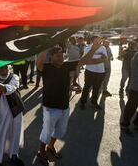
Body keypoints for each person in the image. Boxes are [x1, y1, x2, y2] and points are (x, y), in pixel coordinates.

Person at [36, 38, 104, 166]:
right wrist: (46, 46)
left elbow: (84, 61)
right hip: (50, 108)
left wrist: (93, 49)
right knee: (46, 132)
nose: (61, 58)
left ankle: (50, 146)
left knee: (60, 131)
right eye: (58, 56)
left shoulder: (66, 66)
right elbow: (38, 63)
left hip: (64, 107)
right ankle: (41, 152)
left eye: (62, 55)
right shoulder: (46, 68)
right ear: (51, 58)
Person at [79, 36, 107, 110]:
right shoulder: (87, 48)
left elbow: (105, 59)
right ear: (92, 41)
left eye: (99, 39)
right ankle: (83, 102)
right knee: (87, 87)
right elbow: (85, 60)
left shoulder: (103, 48)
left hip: (101, 72)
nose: (98, 41)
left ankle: (94, 103)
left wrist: (92, 61)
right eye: (96, 40)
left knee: (97, 88)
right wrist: (98, 60)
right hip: (90, 71)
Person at [120, 52, 138, 135]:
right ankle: (124, 125)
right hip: (136, 87)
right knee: (131, 106)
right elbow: (134, 71)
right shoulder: (137, 55)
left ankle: (136, 123)